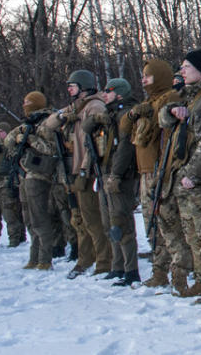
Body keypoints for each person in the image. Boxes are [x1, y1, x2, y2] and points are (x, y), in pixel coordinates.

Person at [157, 49, 201, 302]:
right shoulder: (188, 95)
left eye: (186, 66)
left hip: (199, 175)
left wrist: (194, 173)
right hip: (183, 173)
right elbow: (163, 117)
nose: (182, 71)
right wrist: (171, 111)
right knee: (192, 233)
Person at [45, 69, 112, 278]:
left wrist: (85, 169)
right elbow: (49, 125)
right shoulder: (76, 107)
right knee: (80, 219)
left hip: (88, 171)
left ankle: (103, 261)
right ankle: (85, 257)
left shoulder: (95, 106)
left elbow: (94, 142)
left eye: (73, 86)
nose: (69, 89)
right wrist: (64, 114)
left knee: (93, 219)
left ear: (83, 87)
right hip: (74, 170)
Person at [82, 77, 140, 286]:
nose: (104, 93)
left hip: (119, 175)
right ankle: (118, 266)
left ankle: (131, 270)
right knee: (108, 222)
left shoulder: (125, 115)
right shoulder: (109, 114)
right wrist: (99, 117)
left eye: (109, 90)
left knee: (120, 222)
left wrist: (116, 174)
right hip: (104, 173)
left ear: (120, 93)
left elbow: (125, 147)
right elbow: (86, 128)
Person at [4, 92, 58, 269]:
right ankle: (34, 257)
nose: (24, 105)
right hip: (25, 175)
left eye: (27, 102)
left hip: (39, 175)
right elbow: (8, 141)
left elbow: (50, 149)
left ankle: (45, 259)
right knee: (29, 219)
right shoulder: (27, 124)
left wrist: (30, 139)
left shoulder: (46, 122)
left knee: (39, 218)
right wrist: (20, 134)